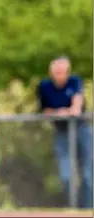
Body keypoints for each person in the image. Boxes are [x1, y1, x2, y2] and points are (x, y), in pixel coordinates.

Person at [37, 56, 93, 209]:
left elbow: (76, 108)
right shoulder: (45, 86)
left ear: (67, 72)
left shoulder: (74, 82)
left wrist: (62, 112)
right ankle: (73, 207)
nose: (59, 75)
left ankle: (87, 209)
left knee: (88, 174)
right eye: (56, 72)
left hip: (81, 130)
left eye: (62, 72)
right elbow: (46, 111)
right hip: (61, 132)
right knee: (66, 175)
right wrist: (61, 113)